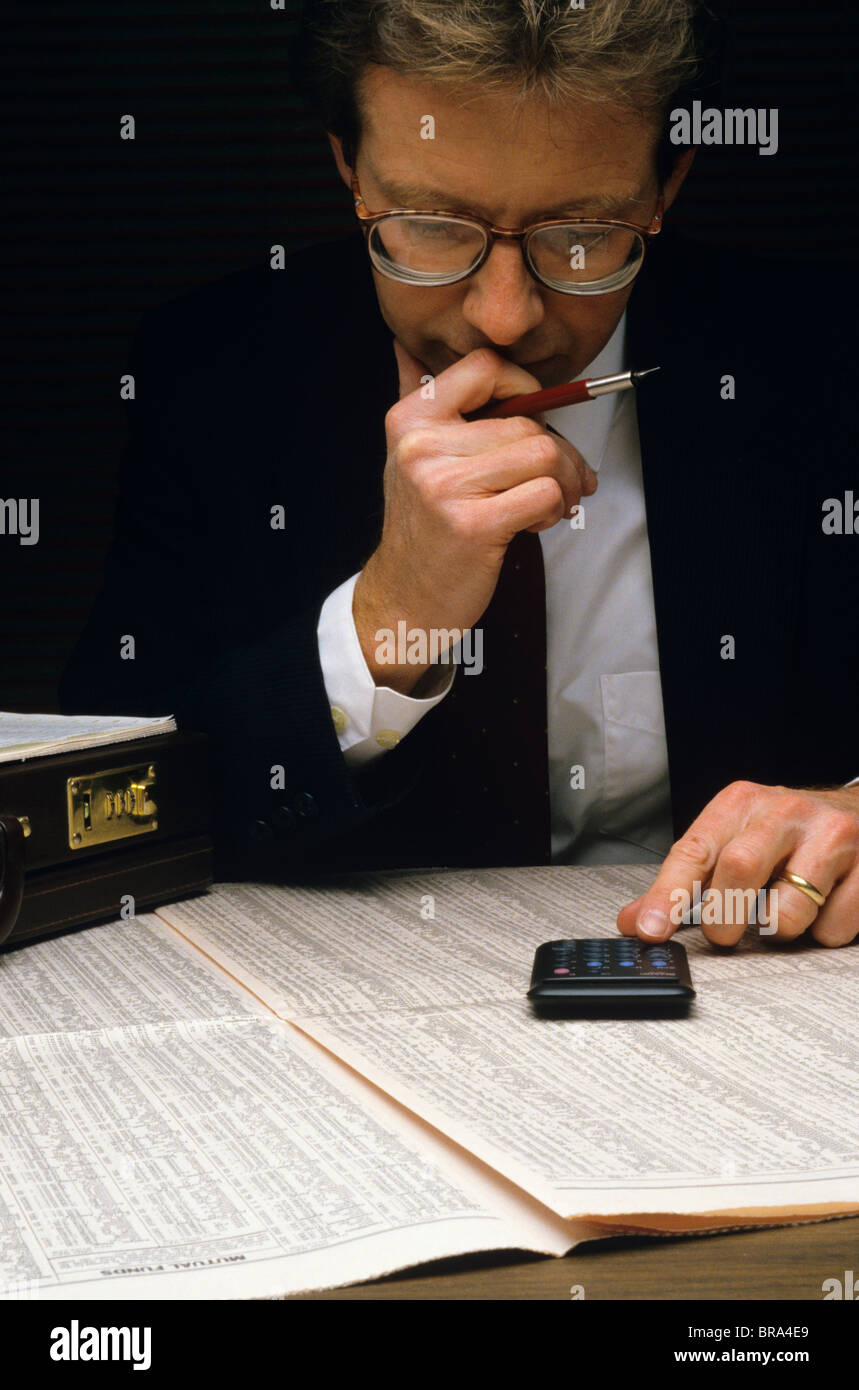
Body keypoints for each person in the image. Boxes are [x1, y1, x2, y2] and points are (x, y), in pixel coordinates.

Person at [60, 0, 859, 950]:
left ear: (666, 187)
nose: (506, 315)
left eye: (582, 233)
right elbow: (95, 801)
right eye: (433, 226)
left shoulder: (825, 361)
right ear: (347, 168)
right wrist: (388, 617)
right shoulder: (216, 374)